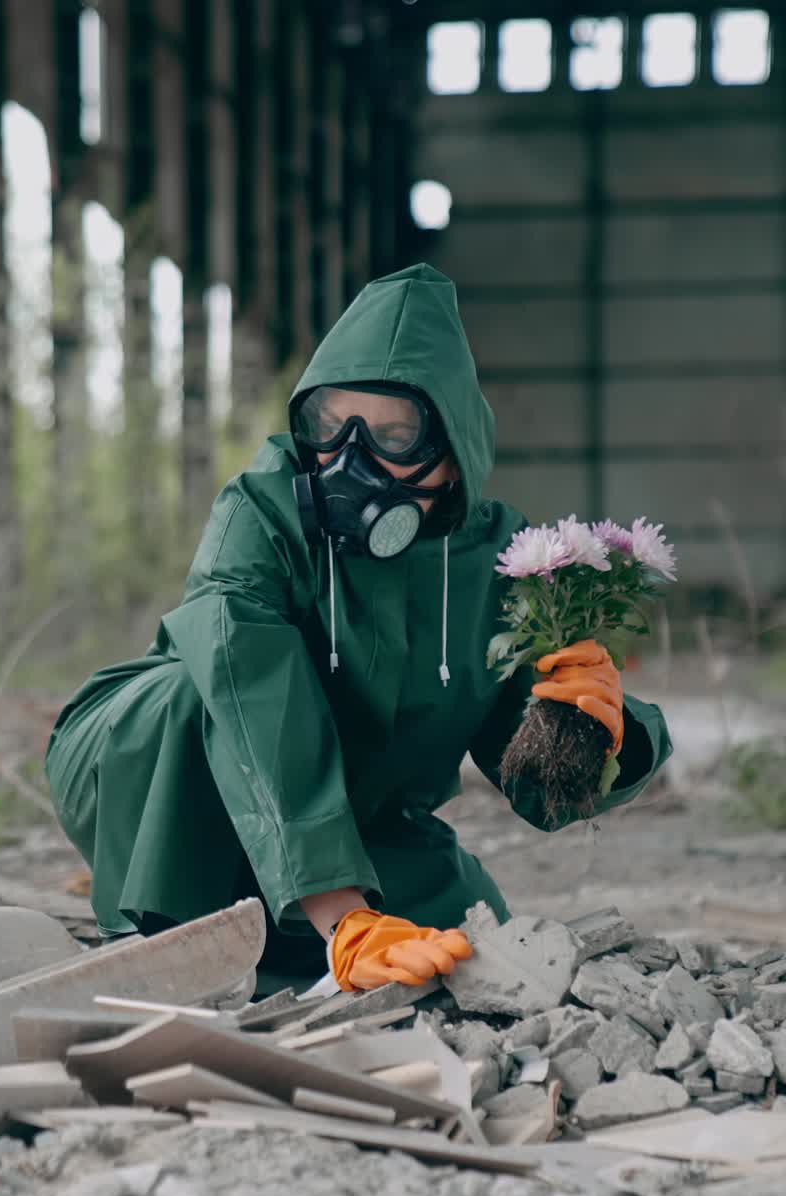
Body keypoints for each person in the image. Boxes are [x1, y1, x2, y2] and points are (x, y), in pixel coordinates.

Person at [44, 264, 672, 992]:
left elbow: (532, 781)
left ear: (453, 446)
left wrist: (597, 734)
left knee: (469, 955)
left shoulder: (501, 560)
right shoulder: (261, 515)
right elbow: (251, 696)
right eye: (330, 426)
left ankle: (306, 917)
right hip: (164, 773)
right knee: (193, 703)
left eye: (394, 434)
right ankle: (177, 927)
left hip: (355, 808)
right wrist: (344, 915)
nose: (349, 460)